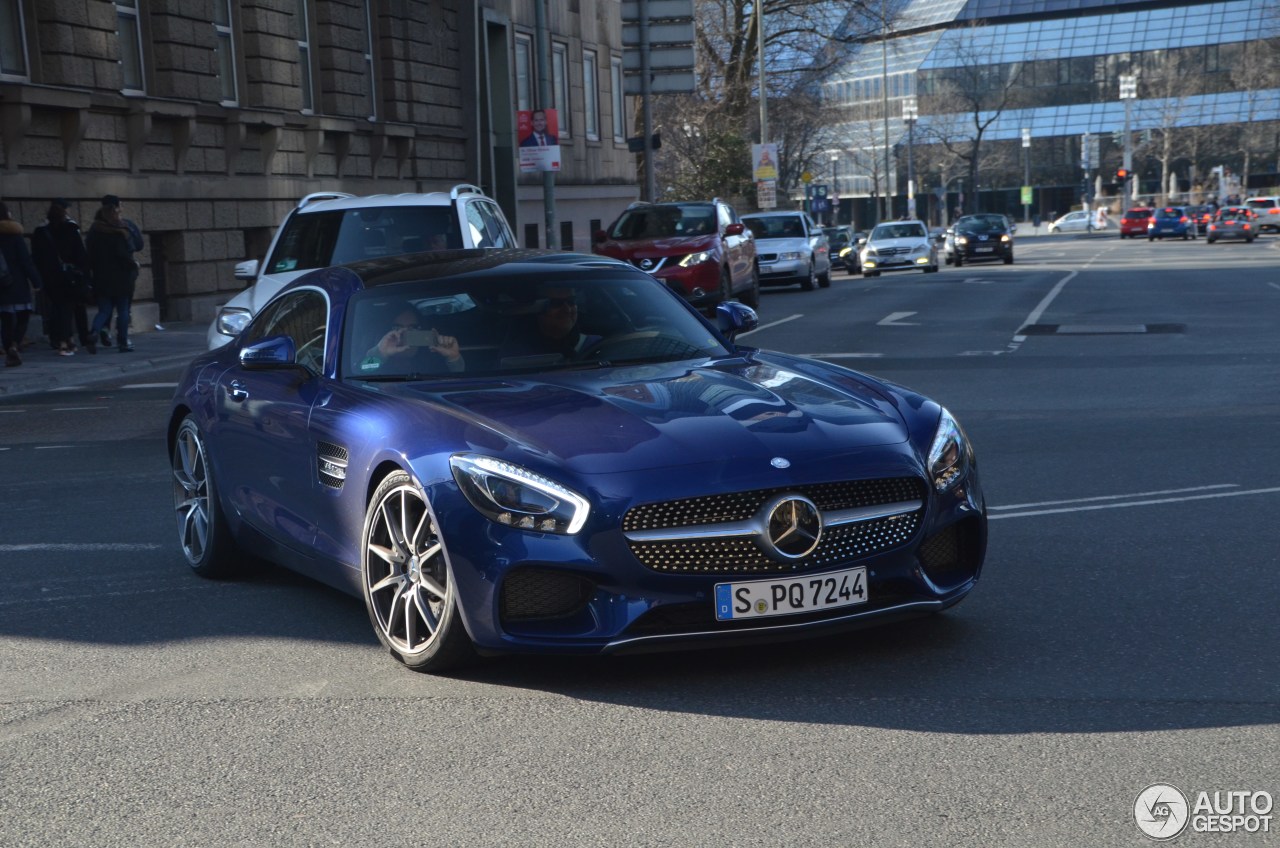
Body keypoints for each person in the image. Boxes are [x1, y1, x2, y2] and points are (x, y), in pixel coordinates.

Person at [31, 198, 95, 356]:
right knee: (68, 308)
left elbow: (36, 257)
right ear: (65, 211)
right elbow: (81, 255)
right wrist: (85, 276)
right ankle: (66, 342)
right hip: (70, 276)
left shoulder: (40, 231)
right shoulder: (71, 228)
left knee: (58, 308)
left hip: (50, 277)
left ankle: (62, 339)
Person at [86, 200, 140, 353]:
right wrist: (134, 264)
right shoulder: (119, 232)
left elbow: (89, 256)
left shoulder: (95, 233)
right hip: (121, 278)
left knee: (104, 310)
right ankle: (123, 342)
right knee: (122, 310)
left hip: (101, 277)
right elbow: (124, 255)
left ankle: (94, 332)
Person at [357, 306, 464, 374]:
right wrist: (380, 353)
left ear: (422, 330)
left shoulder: (432, 357)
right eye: (397, 328)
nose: (406, 334)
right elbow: (360, 374)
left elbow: (455, 383)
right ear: (386, 333)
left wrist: (453, 358)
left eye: (412, 328)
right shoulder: (378, 358)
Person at [503, 285, 601, 359]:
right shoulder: (515, 355)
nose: (567, 309)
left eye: (571, 301)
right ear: (536, 309)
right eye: (556, 303)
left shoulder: (598, 346)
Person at [0, 202, 43, 367]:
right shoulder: (14, 235)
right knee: (23, 316)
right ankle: (14, 345)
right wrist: (36, 281)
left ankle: (9, 348)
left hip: (1, 285)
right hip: (17, 283)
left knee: (6, 320)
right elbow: (26, 261)